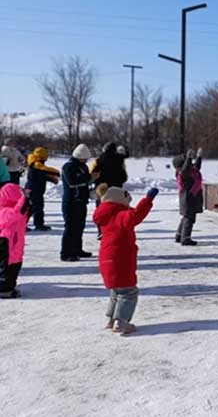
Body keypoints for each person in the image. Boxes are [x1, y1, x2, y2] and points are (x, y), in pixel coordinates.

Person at [94, 184, 158, 335]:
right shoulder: (120, 215)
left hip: (106, 256)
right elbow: (136, 215)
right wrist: (148, 199)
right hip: (120, 257)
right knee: (128, 291)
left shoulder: (106, 215)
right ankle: (121, 322)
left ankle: (111, 319)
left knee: (116, 290)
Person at [61, 144, 93, 262]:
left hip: (81, 201)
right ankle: (66, 253)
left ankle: (77, 250)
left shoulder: (83, 167)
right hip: (70, 202)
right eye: (84, 158)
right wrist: (88, 178)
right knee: (70, 228)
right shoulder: (68, 167)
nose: (86, 160)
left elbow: (86, 181)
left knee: (79, 227)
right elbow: (72, 182)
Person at [90, 142, 128, 239]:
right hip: (116, 188)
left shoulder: (98, 159)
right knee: (117, 210)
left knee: (101, 210)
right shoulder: (120, 159)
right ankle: (116, 230)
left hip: (102, 188)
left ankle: (101, 231)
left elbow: (93, 173)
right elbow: (124, 175)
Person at [0, 183, 29, 298]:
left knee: (15, 267)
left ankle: (9, 286)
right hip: (7, 245)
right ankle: (4, 288)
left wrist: (27, 201)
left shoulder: (16, 209)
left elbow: (23, 213)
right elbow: (16, 213)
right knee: (7, 268)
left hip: (15, 245)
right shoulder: (4, 210)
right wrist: (24, 199)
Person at [173, 148, 204, 246]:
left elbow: (196, 167)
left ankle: (179, 235)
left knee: (186, 217)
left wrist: (199, 157)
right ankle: (185, 238)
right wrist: (189, 158)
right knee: (189, 218)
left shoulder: (191, 171)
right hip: (188, 198)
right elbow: (186, 168)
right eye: (187, 161)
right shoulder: (183, 173)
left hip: (190, 198)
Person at [24, 147, 60, 231]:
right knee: (36, 207)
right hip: (34, 190)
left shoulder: (34, 163)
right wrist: (56, 173)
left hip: (31, 188)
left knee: (30, 207)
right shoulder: (37, 164)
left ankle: (26, 224)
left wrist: (51, 179)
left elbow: (41, 175)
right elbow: (48, 171)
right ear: (42, 156)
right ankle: (38, 224)